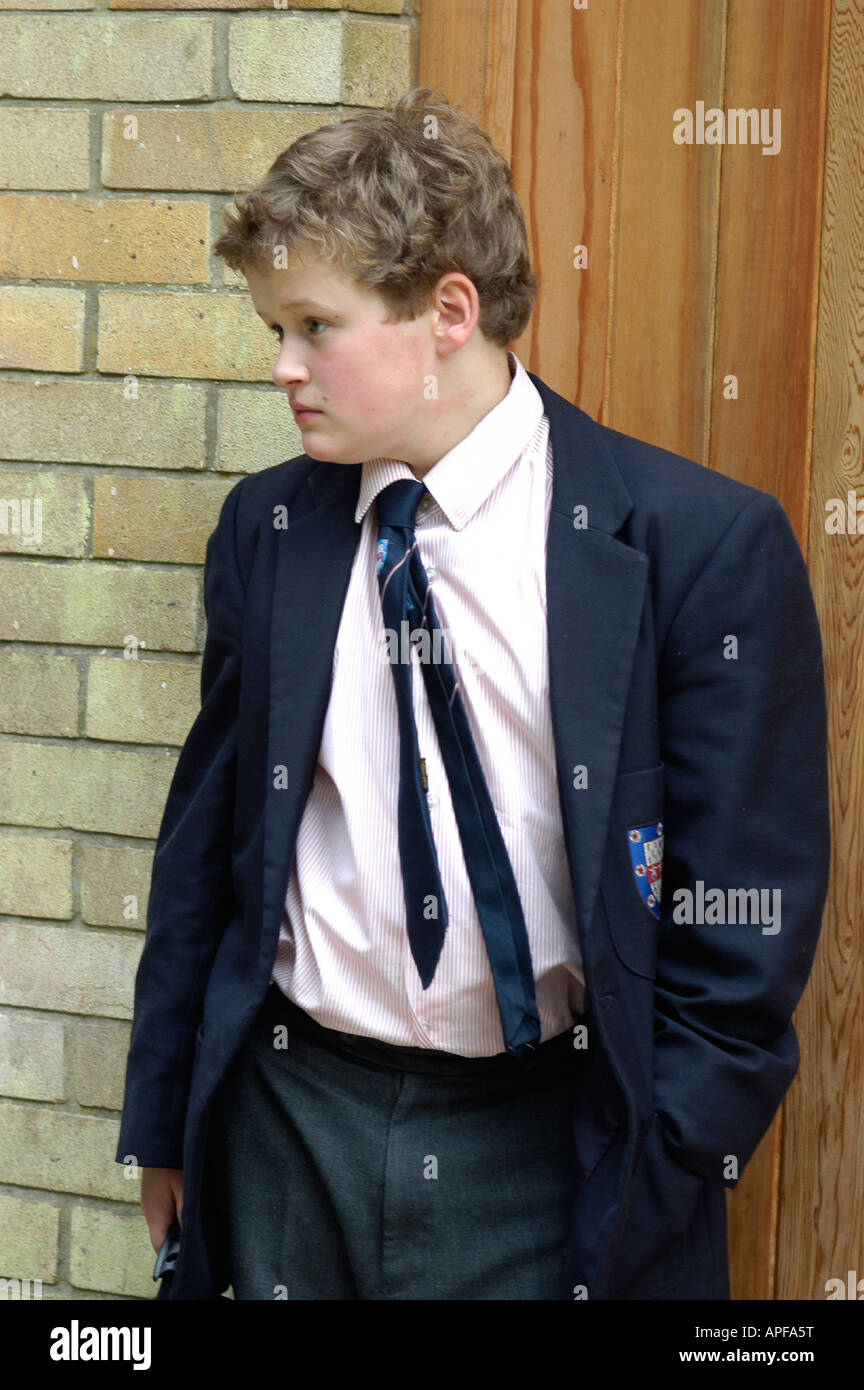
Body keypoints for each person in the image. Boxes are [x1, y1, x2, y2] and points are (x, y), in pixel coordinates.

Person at [115, 87, 831, 1301]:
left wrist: (660, 1171)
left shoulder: (697, 547)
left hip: (551, 1140)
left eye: (312, 326)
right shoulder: (269, 530)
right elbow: (205, 850)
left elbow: (743, 937)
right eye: (273, 328)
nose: (282, 367)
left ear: (449, 310)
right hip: (290, 1117)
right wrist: (167, 1117)